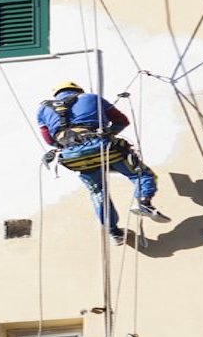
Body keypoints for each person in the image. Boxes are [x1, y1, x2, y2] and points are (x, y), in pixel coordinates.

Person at [37, 80, 169, 245]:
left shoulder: (43, 108)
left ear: (56, 94)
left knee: (98, 192)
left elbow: (49, 140)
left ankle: (113, 232)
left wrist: (71, 145)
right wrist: (108, 134)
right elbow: (122, 120)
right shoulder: (91, 98)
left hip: (74, 157)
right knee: (141, 174)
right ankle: (144, 202)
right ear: (78, 90)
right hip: (103, 148)